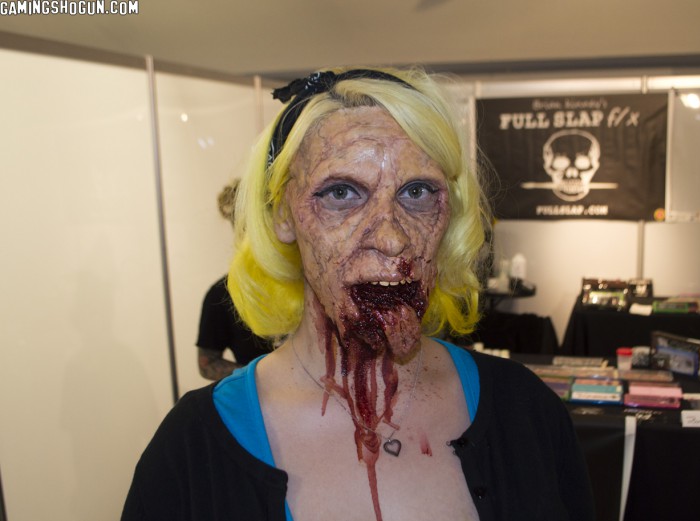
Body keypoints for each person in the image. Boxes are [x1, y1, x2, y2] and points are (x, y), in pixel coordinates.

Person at [122, 66, 595, 521]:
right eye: (342, 193)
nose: (391, 238)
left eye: (417, 192)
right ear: (283, 214)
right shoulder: (192, 451)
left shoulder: (526, 412)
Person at [196, 179, 270, 380]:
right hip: (259, 397)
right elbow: (207, 364)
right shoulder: (221, 294)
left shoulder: (308, 281)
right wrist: (259, 378)